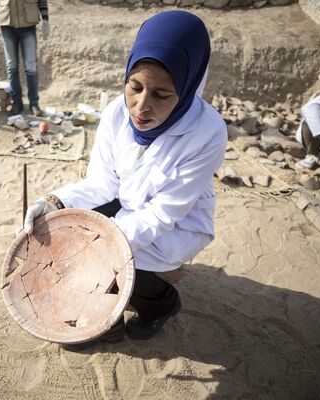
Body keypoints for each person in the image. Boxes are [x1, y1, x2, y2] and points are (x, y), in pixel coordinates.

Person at [23, 11, 227, 345]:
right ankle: (109, 301)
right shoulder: (118, 112)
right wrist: (52, 202)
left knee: (125, 261)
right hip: (127, 200)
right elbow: (102, 182)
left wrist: (103, 249)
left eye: (161, 95)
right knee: (68, 227)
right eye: (135, 87)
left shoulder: (207, 133)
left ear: (187, 88)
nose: (141, 106)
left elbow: (163, 214)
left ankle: (161, 304)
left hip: (177, 223)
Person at [0, 0, 49, 116]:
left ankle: (34, 103)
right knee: (12, 66)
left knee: (31, 67)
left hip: (28, 25)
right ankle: (17, 102)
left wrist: (45, 19)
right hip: (7, 26)